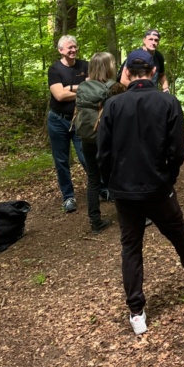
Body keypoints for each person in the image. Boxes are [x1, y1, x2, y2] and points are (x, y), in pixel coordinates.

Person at [97, 49, 184, 335]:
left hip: (125, 191)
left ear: (127, 72)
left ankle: (136, 312)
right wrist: (167, 178)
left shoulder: (113, 106)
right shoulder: (168, 102)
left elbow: (102, 154)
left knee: (131, 247)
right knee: (178, 232)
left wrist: (111, 183)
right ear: (152, 72)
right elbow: (178, 150)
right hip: (158, 187)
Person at [75, 52, 121, 234]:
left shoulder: (83, 87)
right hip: (109, 139)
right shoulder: (115, 87)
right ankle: (131, 214)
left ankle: (95, 221)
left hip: (88, 138)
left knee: (93, 179)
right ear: (109, 67)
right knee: (119, 175)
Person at [47, 35, 88, 213]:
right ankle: (68, 197)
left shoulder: (85, 66)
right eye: (69, 48)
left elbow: (93, 86)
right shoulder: (54, 69)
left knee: (86, 156)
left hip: (80, 119)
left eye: (75, 47)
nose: (73, 50)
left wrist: (68, 87)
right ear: (61, 50)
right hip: (57, 120)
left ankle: (102, 188)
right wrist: (80, 88)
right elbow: (59, 96)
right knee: (61, 160)